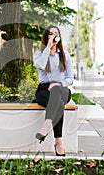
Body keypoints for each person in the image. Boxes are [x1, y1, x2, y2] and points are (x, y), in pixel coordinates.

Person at [33, 25, 74, 156]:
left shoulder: (65, 55)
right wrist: (48, 48)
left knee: (57, 90)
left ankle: (47, 124)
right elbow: (40, 65)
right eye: (51, 33)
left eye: (56, 33)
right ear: (47, 37)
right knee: (59, 104)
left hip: (62, 89)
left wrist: (58, 83)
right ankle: (59, 143)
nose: (54, 35)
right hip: (44, 90)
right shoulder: (39, 54)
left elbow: (70, 78)